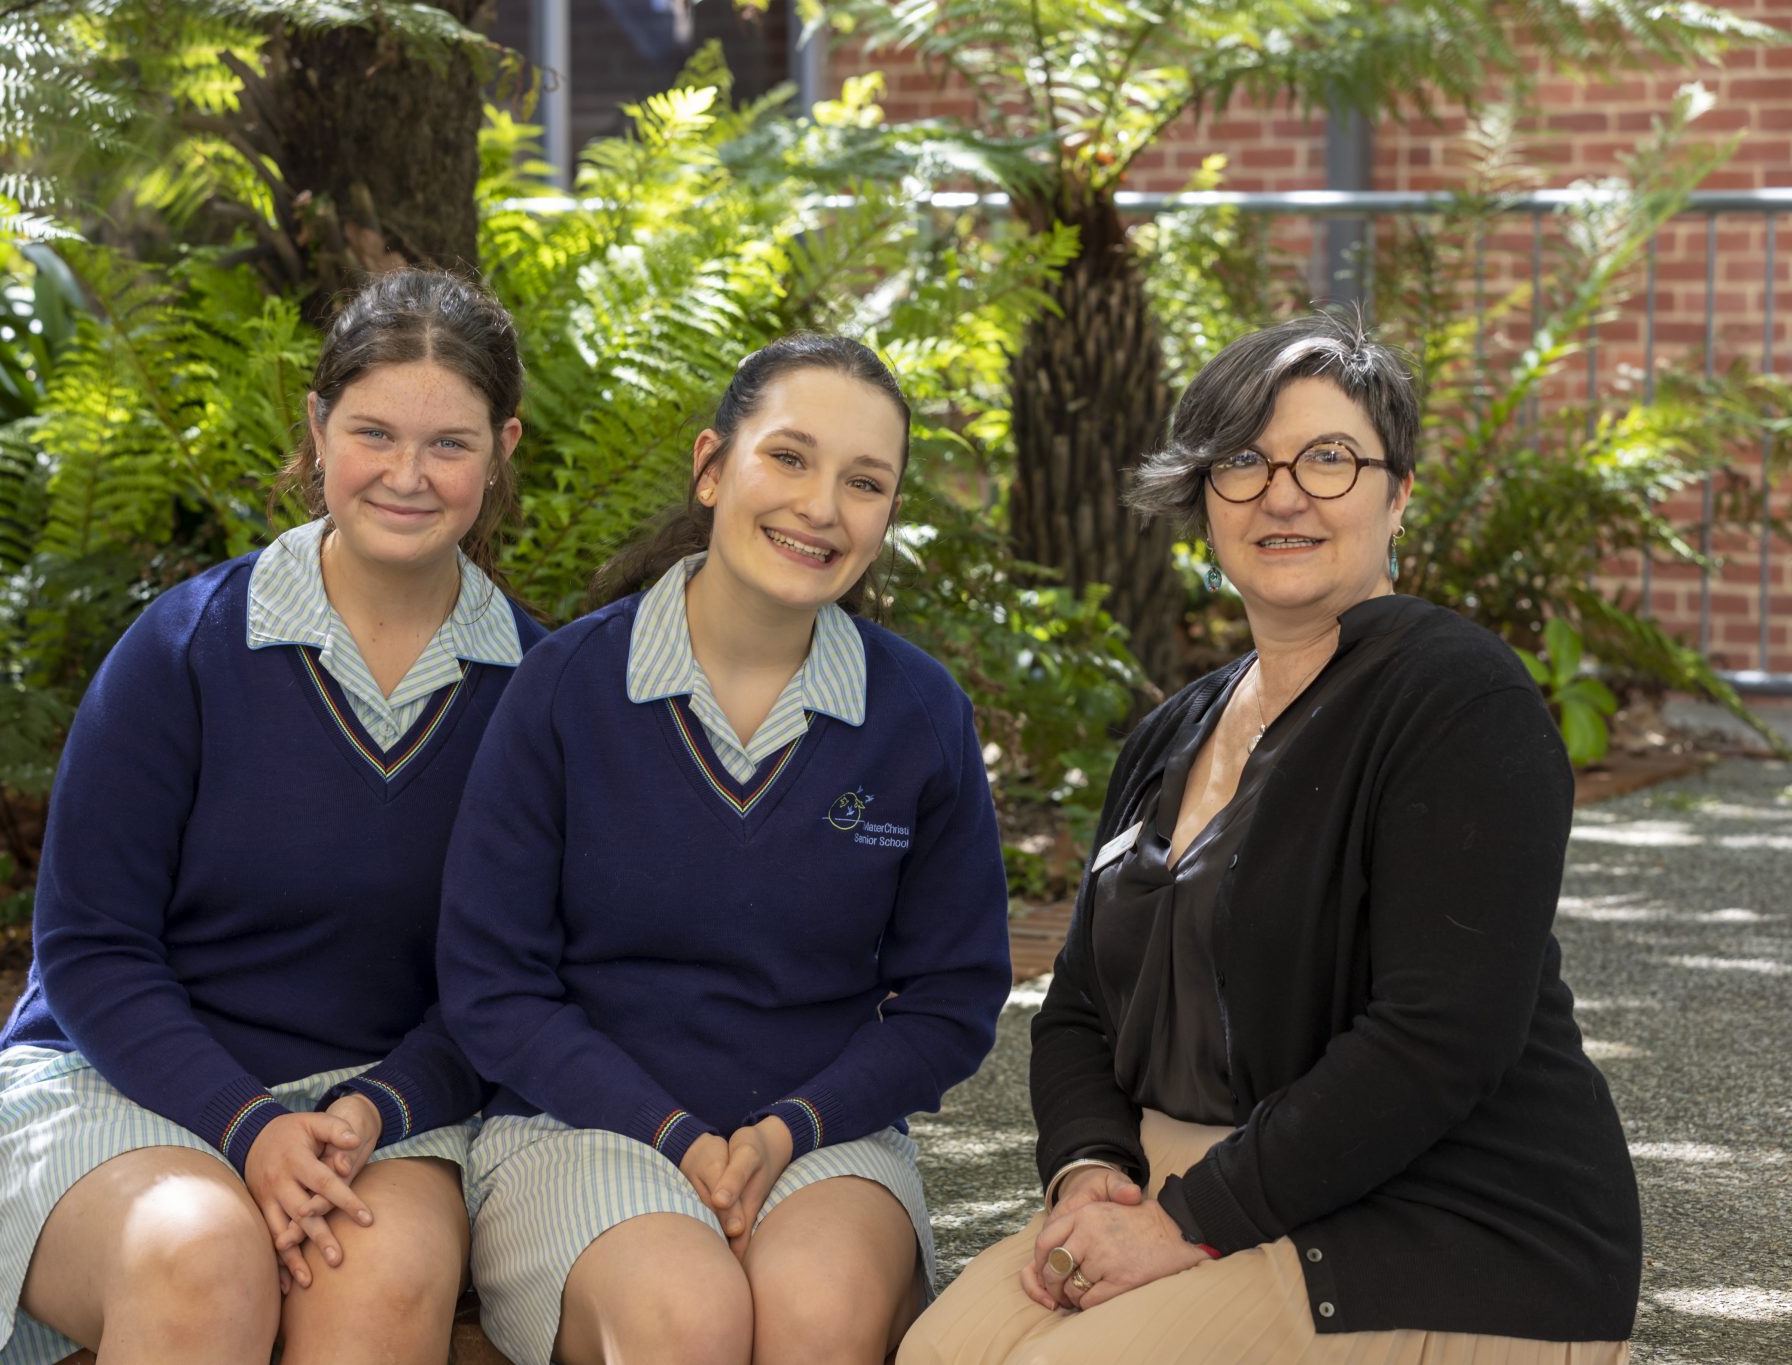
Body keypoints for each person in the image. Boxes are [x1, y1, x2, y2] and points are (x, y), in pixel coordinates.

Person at [900, 313, 1641, 1365]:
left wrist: (1179, 1223)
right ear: (1203, 495)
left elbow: (1438, 1040)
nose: (1281, 492)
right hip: (1187, 1183)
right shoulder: (1173, 728)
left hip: (1436, 1217)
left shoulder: (1456, 697)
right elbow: (1075, 1011)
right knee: (937, 1352)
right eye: (1242, 459)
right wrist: (1087, 1174)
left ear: (1399, 495)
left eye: (1328, 458)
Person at [0, 268, 544, 1365]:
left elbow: (515, 983)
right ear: (316, 427)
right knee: (198, 1256)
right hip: (121, 1081)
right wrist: (247, 1126)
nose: (407, 476)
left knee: (382, 1280)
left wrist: (368, 1112)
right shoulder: (183, 650)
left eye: (449, 444)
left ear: (502, 447)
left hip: (386, 1111)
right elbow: (90, 950)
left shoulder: (541, 692)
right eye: (373, 432)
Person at [436, 334, 1013, 1365]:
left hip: (823, 1134)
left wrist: (789, 1127)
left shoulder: (918, 713)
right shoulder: (565, 689)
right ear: (712, 467)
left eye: (864, 481)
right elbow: (492, 987)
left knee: (818, 1312)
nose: (821, 506)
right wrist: (674, 1137)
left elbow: (951, 1000)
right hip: (583, 1128)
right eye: (787, 458)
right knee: (683, 1318)